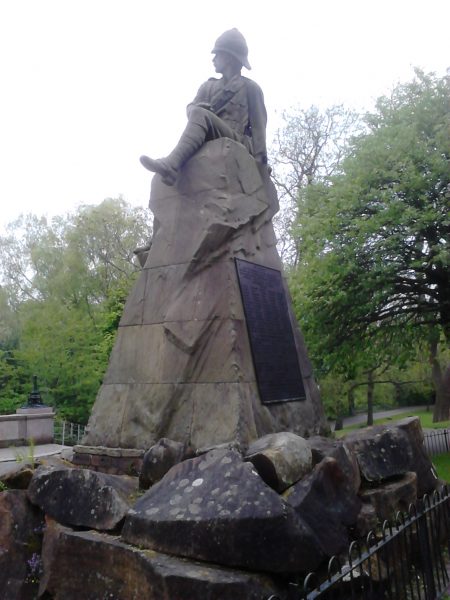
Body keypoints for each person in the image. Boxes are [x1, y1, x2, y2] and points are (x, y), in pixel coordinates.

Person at [140, 28, 268, 186]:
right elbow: (192, 108)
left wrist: (260, 164)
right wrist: (193, 109)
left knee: (200, 113)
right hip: (209, 136)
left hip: (236, 140)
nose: (213, 59)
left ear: (228, 57)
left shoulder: (250, 88)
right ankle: (174, 168)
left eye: (218, 54)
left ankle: (171, 165)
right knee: (198, 112)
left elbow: (258, 128)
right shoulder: (208, 86)